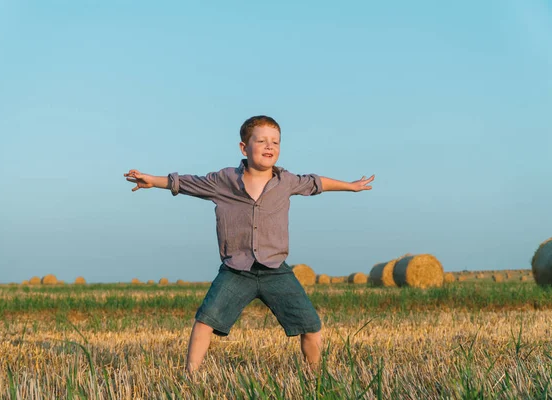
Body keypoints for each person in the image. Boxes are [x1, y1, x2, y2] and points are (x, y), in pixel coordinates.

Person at [124, 115, 374, 373]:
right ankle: (190, 377)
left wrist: (351, 186)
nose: (270, 146)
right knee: (204, 321)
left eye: (275, 142)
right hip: (236, 270)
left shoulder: (285, 181)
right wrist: (152, 180)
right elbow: (187, 183)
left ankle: (315, 376)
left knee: (311, 326)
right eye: (262, 141)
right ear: (244, 148)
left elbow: (316, 182)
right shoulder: (224, 181)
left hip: (276, 270)